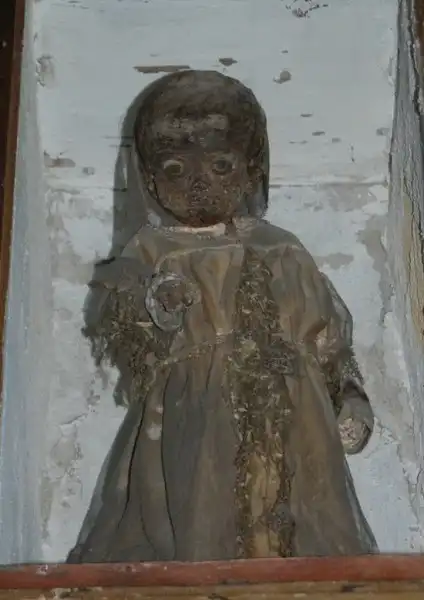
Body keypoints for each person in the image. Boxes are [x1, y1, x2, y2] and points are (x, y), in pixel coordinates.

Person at [68, 70, 377, 563]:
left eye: (220, 165)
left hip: (295, 412)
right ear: (149, 179)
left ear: (252, 169)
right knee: (201, 509)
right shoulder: (154, 251)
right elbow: (129, 335)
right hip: (198, 410)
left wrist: (349, 393)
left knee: (299, 510)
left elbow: (327, 335)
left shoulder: (282, 248)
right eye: (175, 168)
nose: (198, 183)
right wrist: (157, 305)